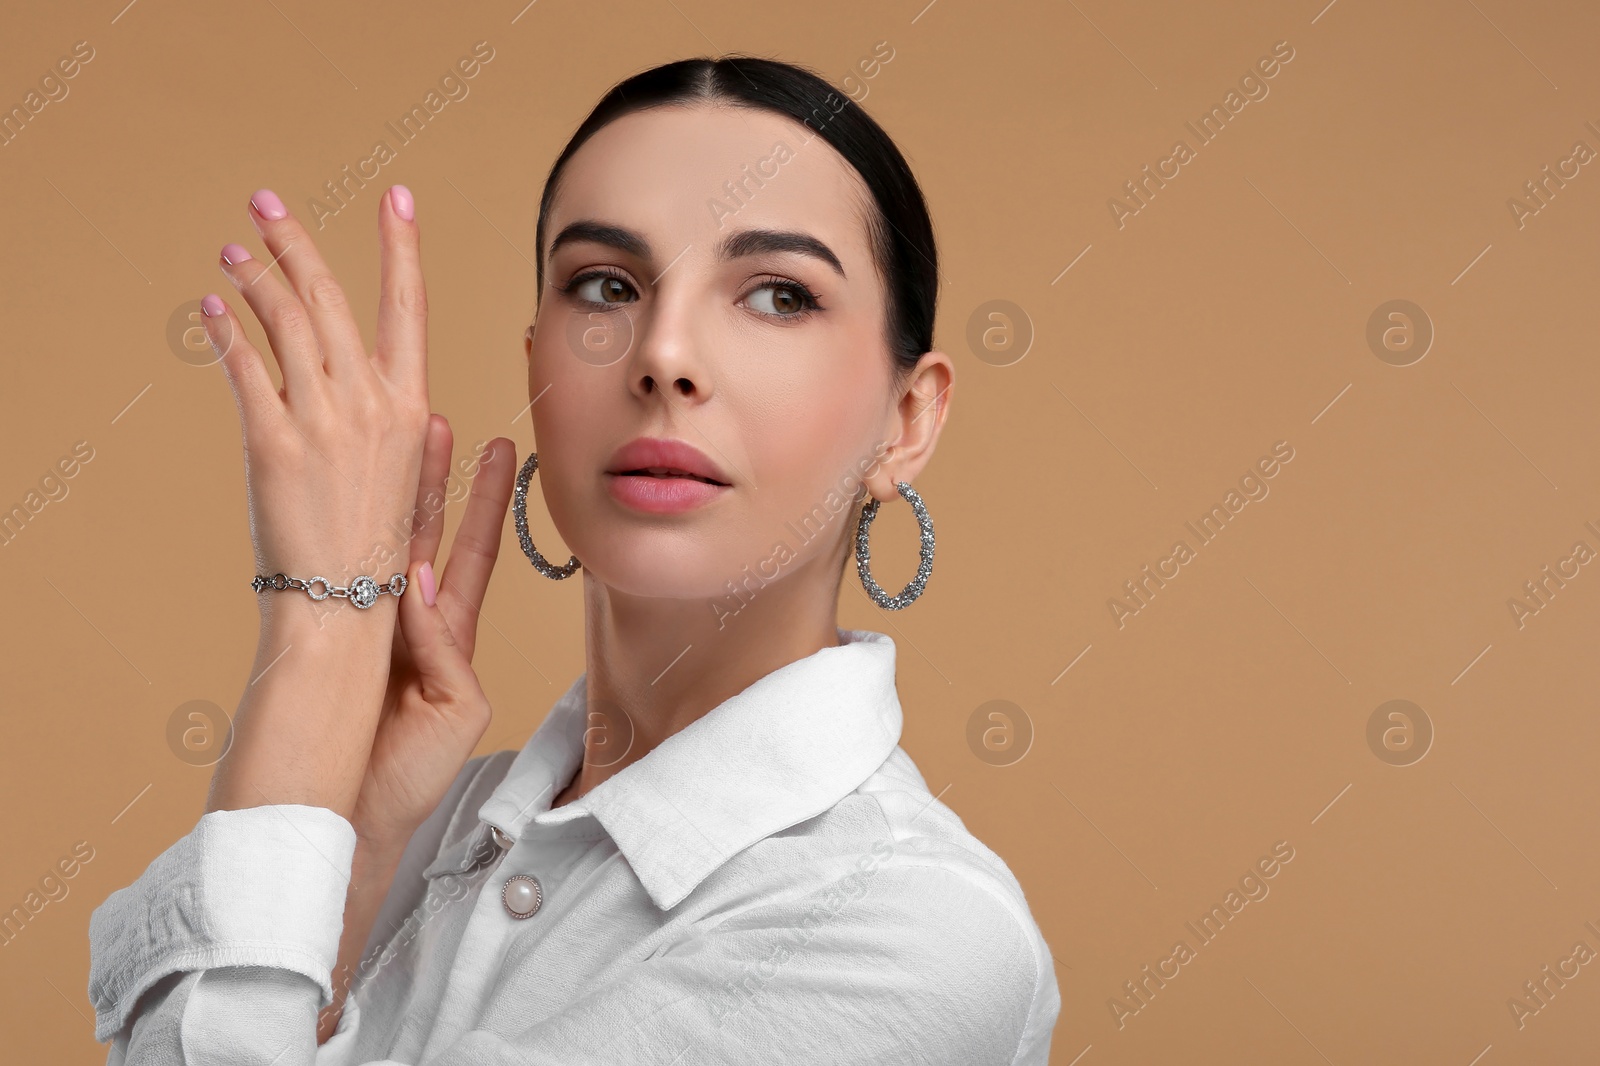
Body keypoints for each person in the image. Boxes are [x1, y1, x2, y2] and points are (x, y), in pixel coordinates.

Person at [87, 55, 1060, 1064]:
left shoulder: (911, 933)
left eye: (777, 294)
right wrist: (358, 835)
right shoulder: (428, 825)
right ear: (537, 368)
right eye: (606, 284)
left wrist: (319, 633)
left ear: (907, 419)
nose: (663, 354)